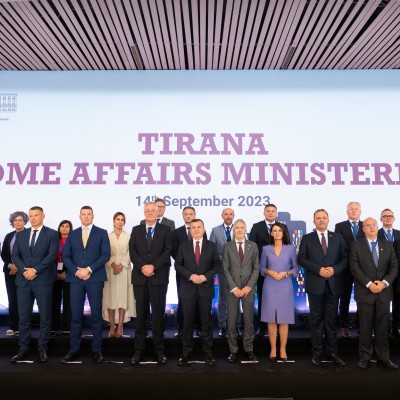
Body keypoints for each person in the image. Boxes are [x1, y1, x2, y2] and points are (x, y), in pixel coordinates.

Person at [60, 206, 111, 363]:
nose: (86, 216)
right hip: (75, 279)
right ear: (80, 216)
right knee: (75, 316)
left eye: (89, 214)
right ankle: (74, 350)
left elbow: (105, 255)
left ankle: (97, 350)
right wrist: (77, 271)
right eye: (84, 214)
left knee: (96, 315)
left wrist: (88, 269)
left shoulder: (101, 233)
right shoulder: (73, 234)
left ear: (93, 216)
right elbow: (66, 256)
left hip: (94, 278)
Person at [298, 209, 347, 367]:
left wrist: (334, 269)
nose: (321, 220)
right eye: (318, 218)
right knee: (316, 321)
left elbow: (345, 258)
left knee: (331, 321)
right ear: (313, 221)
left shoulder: (338, 237)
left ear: (328, 220)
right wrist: (318, 269)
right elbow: (301, 259)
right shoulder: (307, 238)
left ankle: (332, 353)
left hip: (333, 285)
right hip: (315, 285)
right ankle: (317, 353)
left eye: (324, 218)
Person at [10, 206, 58, 363]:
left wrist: (35, 270)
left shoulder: (51, 234)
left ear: (43, 216)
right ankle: (23, 348)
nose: (33, 218)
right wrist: (25, 270)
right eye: (30, 216)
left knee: (45, 316)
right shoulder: (22, 234)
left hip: (43, 280)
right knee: (23, 317)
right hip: (23, 280)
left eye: (36, 215)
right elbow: (15, 255)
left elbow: (51, 256)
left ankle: (42, 348)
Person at [350, 217, 398, 369]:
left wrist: (384, 283)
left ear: (378, 227)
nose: (371, 227)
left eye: (374, 225)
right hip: (365, 292)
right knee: (365, 327)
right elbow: (354, 268)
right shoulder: (355, 246)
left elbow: (394, 267)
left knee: (382, 328)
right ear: (363, 229)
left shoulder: (388, 245)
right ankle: (365, 357)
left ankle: (384, 358)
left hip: (383, 293)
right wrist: (369, 284)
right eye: (368, 225)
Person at [129, 201, 172, 365]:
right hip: (140, 278)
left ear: (158, 212)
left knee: (158, 315)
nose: (150, 213)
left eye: (153, 210)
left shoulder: (165, 230)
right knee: (140, 315)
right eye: (147, 210)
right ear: (144, 212)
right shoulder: (136, 229)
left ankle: (159, 350)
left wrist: (153, 266)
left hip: (158, 277)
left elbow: (167, 251)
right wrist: (143, 267)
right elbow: (132, 252)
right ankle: (138, 350)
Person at [175, 218, 220, 366]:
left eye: (198, 227)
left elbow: (216, 265)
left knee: (206, 324)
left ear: (204, 229)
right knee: (187, 324)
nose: (195, 229)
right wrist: (190, 276)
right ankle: (186, 353)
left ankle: (208, 353)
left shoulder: (211, 246)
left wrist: (205, 276)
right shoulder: (183, 246)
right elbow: (178, 265)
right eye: (193, 227)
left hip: (205, 290)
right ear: (190, 230)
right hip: (187, 290)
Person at [260, 222, 300, 361]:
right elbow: (261, 269)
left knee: (284, 319)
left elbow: (296, 269)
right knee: (271, 319)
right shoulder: (265, 249)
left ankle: (283, 349)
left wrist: (286, 273)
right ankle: (273, 349)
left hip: (285, 285)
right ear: (271, 233)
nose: (277, 233)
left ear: (284, 233)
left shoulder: (290, 249)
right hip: (270, 286)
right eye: (274, 230)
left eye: (279, 231)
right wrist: (268, 271)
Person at [249, 204, 290, 337]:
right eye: (268, 211)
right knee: (263, 299)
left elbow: (287, 245)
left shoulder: (282, 227)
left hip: (281, 270)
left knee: (281, 301)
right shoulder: (257, 226)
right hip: (263, 269)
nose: (271, 213)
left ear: (276, 213)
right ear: (264, 213)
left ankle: (279, 327)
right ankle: (262, 326)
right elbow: (252, 248)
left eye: (273, 211)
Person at [222, 219, 259, 363]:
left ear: (246, 229)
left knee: (249, 321)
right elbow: (225, 268)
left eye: (242, 227)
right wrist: (234, 288)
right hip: (233, 289)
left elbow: (256, 267)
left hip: (248, 289)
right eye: (236, 227)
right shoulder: (227, 246)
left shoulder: (253, 246)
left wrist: (249, 286)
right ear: (233, 230)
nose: (239, 230)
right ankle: (233, 350)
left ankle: (249, 349)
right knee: (231, 321)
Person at [140, 198, 174, 336]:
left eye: (161, 207)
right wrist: (146, 266)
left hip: (161, 268)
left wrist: (154, 265)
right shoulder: (142, 224)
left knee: (160, 300)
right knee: (144, 301)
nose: (158, 210)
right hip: (144, 270)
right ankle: (147, 323)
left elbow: (168, 246)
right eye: (156, 207)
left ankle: (159, 325)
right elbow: (142, 247)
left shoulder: (169, 224)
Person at [171, 206, 206, 338]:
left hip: (199, 273)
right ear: (183, 216)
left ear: (194, 214)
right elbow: (174, 251)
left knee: (198, 299)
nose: (188, 216)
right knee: (182, 299)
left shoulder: (201, 230)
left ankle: (198, 328)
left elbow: (205, 250)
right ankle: (181, 327)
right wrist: (186, 268)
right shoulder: (177, 232)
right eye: (186, 214)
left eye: (191, 214)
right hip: (182, 273)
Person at [334, 201, 365, 338]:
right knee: (344, 298)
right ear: (347, 211)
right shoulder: (340, 226)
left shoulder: (366, 225)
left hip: (362, 269)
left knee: (362, 299)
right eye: (351, 209)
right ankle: (344, 326)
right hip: (345, 269)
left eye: (356, 209)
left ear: (360, 211)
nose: (353, 211)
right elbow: (337, 246)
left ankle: (361, 326)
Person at [103, 212, 136, 338]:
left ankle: (120, 326)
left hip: (124, 270)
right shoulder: (107, 236)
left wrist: (121, 264)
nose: (120, 221)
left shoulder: (128, 236)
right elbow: (104, 252)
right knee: (110, 298)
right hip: (110, 269)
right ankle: (112, 325)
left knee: (123, 298)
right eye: (118, 219)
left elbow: (130, 252)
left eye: (122, 219)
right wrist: (113, 264)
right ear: (113, 221)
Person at [210, 207, 242, 337]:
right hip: (222, 269)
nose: (228, 216)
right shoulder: (215, 230)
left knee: (237, 298)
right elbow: (212, 250)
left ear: (233, 216)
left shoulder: (239, 229)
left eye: (230, 214)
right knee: (222, 299)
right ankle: (222, 326)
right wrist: (223, 260)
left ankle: (237, 326)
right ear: (222, 215)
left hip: (237, 270)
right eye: (226, 214)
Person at [1, 211, 29, 337]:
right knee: (12, 299)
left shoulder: (30, 235)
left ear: (25, 221)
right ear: (12, 222)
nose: (17, 222)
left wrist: (19, 267)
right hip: (10, 272)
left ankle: (23, 327)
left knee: (24, 300)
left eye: (20, 220)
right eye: (15, 220)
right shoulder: (9, 236)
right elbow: (4, 254)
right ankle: (14, 326)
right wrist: (10, 265)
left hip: (24, 272)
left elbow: (31, 254)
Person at [377, 209, 400, 338]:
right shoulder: (376, 234)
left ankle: (395, 328)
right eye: (385, 216)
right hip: (381, 275)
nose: (387, 218)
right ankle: (382, 330)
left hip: (397, 276)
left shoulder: (399, 234)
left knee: (397, 303)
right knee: (381, 305)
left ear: (394, 218)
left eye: (390, 216)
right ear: (380, 219)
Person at [51, 220, 73, 336]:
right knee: (54, 300)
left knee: (68, 301)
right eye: (62, 226)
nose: (64, 228)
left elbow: (75, 258)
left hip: (69, 272)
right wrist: (56, 272)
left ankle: (66, 326)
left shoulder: (74, 241)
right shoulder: (54, 241)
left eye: (67, 226)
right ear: (59, 228)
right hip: (54, 271)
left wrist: (67, 273)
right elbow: (49, 256)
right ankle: (54, 326)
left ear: (70, 229)